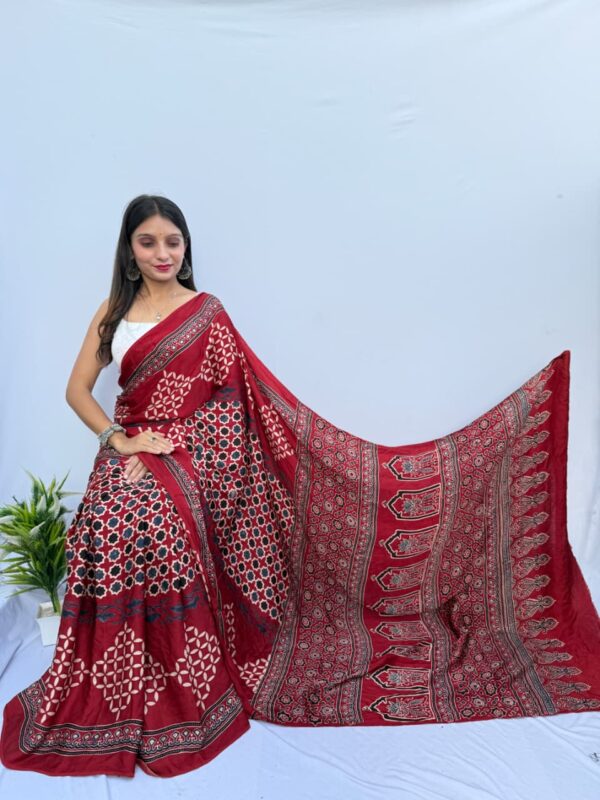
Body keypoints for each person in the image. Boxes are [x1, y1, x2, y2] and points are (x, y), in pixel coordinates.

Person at [1, 195, 599, 779]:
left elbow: (234, 405)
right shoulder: (112, 312)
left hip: (192, 454)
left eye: (172, 241)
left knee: (156, 512)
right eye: (148, 241)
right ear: (130, 252)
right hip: (128, 445)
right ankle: (116, 673)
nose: (162, 252)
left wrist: (178, 449)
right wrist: (120, 440)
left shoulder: (207, 312)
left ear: (185, 250)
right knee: (108, 519)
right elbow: (77, 390)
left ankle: (177, 678)